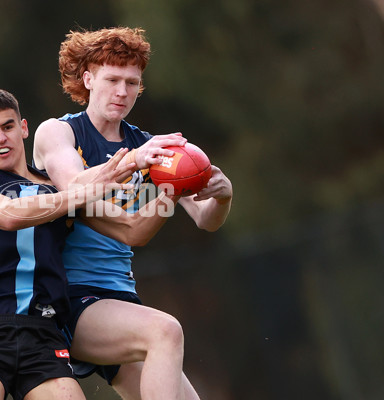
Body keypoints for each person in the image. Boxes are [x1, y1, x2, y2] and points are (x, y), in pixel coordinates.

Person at [32, 27, 233, 400]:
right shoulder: (58, 133)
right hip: (68, 298)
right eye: (112, 80)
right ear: (88, 79)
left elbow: (205, 219)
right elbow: (73, 187)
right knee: (165, 330)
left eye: (132, 82)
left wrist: (221, 197)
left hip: (120, 299)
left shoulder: (149, 146)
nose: (122, 92)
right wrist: (132, 162)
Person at [0, 88, 139, 400]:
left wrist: (175, 190)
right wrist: (82, 192)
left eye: (8, 127)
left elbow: (132, 230)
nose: (0, 138)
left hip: (44, 336)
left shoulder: (57, 189)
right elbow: (9, 215)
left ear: (23, 129)